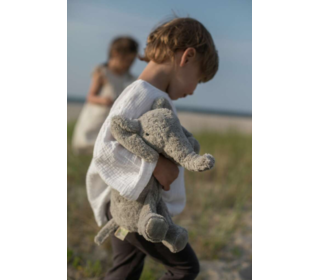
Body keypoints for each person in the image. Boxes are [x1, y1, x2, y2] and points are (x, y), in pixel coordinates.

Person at [86, 17, 219, 279]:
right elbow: (105, 148)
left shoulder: (153, 94)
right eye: (198, 79)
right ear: (187, 57)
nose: (193, 90)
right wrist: (157, 166)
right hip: (134, 208)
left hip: (132, 205)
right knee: (184, 267)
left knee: (125, 271)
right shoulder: (140, 92)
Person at [72, 37, 139, 154]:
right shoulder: (102, 72)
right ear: (115, 54)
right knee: (90, 143)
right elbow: (90, 96)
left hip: (112, 117)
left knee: (107, 144)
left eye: (131, 62)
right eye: (126, 61)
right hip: (97, 116)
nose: (128, 65)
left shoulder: (128, 77)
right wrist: (102, 100)